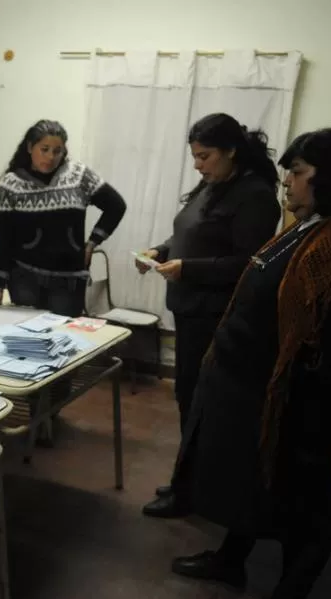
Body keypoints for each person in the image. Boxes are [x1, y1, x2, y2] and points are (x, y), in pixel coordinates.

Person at [167, 128, 331, 599]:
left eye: (298, 173)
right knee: (252, 482)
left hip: (301, 406)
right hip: (253, 390)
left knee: (305, 503)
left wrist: (316, 423)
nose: (288, 183)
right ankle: (232, 558)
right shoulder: (313, 225)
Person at [139, 113, 282, 518]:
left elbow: (248, 264)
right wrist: (161, 251)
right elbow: (189, 230)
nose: (198, 165)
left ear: (231, 152)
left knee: (203, 405)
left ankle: (193, 491)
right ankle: (189, 481)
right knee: (189, 398)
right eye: (195, 157)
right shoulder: (213, 183)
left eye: (205, 156)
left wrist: (190, 269)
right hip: (189, 310)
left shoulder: (254, 195)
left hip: (216, 318)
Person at [0, 120, 126, 316]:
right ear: (29, 147)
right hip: (25, 279)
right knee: (26, 339)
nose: (50, 157)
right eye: (44, 149)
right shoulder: (10, 184)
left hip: (68, 282)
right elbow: (3, 238)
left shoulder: (78, 175)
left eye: (57, 151)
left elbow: (116, 206)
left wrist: (93, 242)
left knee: (65, 338)